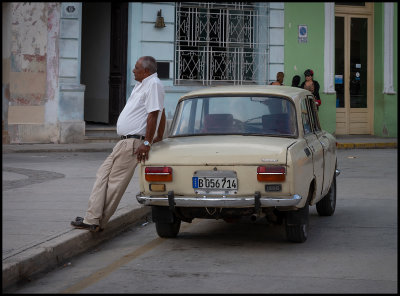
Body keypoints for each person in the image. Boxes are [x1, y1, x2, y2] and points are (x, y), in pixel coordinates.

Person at [71, 56, 166, 232]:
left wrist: (147, 142)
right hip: (124, 141)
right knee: (103, 175)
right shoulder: (142, 85)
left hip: (134, 142)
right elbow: (162, 110)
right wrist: (159, 135)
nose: (133, 70)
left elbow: (154, 114)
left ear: (146, 71)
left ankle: (97, 221)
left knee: (115, 183)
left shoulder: (154, 84)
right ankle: (92, 217)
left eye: (136, 67)